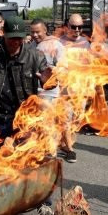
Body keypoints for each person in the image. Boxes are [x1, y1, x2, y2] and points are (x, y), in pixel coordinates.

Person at [0, 16, 51, 141]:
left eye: (19, 38)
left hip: (23, 117)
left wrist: (47, 80)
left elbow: (48, 81)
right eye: (12, 38)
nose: (15, 42)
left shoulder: (35, 56)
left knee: (23, 156)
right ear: (4, 34)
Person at [29, 19, 74, 162]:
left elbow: (63, 67)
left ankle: (52, 154)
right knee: (40, 125)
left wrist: (53, 71)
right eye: (33, 32)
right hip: (35, 92)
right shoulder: (31, 46)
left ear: (45, 31)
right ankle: (45, 152)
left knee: (50, 124)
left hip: (50, 92)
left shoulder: (55, 45)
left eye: (38, 32)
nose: (35, 35)